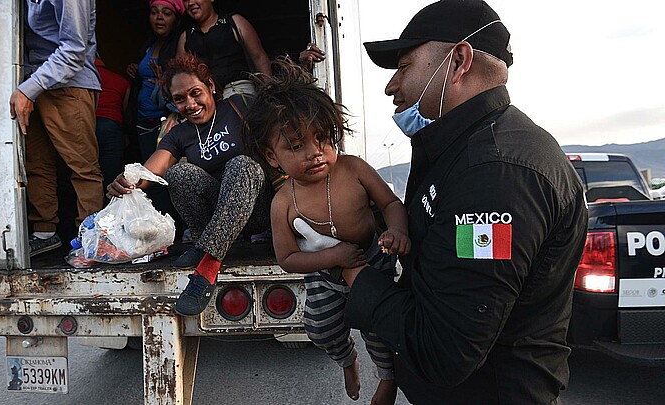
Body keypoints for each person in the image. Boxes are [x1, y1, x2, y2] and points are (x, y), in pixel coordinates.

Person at [335, 1, 589, 404]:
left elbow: (446, 351)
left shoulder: (495, 175)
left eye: (404, 66)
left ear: (458, 61)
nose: (391, 85)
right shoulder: (460, 150)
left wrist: (360, 281)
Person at [244, 58, 411, 405]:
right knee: (320, 330)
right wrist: (332, 257)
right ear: (272, 157)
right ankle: (346, 360)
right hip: (323, 274)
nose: (315, 152)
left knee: (379, 328)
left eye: (322, 138)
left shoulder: (354, 169)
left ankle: (387, 377)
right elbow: (287, 258)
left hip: (372, 261)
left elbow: (391, 204)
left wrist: (397, 230)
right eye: (296, 146)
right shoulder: (283, 202)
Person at [107, 53, 272, 316]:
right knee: (179, 173)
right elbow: (151, 170)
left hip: (257, 209)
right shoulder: (180, 134)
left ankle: (207, 265)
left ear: (211, 86)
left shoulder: (240, 106)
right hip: (213, 217)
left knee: (242, 164)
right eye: (180, 99)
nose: (191, 104)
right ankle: (208, 244)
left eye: (196, 93)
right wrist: (127, 181)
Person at [9, 0, 103, 257]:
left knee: (82, 167)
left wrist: (28, 89)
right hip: (32, 82)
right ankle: (44, 232)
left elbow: (74, 50)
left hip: (69, 84)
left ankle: (90, 240)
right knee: (36, 163)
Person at [125, 0, 186, 214]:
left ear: (176, 19)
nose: (159, 17)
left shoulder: (178, 44)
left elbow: (183, 85)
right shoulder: (150, 44)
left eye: (166, 13)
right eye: (154, 12)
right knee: (148, 181)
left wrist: (166, 81)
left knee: (164, 178)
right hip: (143, 120)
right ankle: (158, 229)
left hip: (165, 121)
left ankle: (174, 230)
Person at [176, 0, 271, 97]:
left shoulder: (234, 22)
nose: (190, 3)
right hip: (205, 98)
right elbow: (181, 74)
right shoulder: (185, 37)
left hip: (239, 90)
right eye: (186, 0)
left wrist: (269, 91)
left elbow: (259, 57)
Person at [95, 57, 131, 189]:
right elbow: (124, 109)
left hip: (87, 125)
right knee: (111, 172)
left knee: (86, 169)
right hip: (111, 125)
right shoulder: (121, 81)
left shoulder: (83, 80)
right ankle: (111, 204)